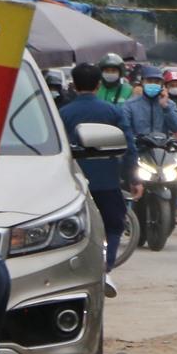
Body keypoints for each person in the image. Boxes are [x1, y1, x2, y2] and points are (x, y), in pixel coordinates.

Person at [58, 62, 139, 285]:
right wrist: (133, 177)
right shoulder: (112, 112)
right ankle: (105, 268)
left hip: (72, 184)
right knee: (114, 225)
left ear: (74, 85)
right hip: (107, 181)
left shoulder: (62, 114)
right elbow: (129, 146)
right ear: (99, 84)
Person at [123, 68, 177, 145]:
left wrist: (165, 107)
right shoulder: (130, 105)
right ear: (142, 82)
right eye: (149, 81)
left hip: (162, 149)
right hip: (139, 150)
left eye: (157, 82)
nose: (153, 84)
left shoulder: (169, 104)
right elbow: (125, 128)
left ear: (162, 85)